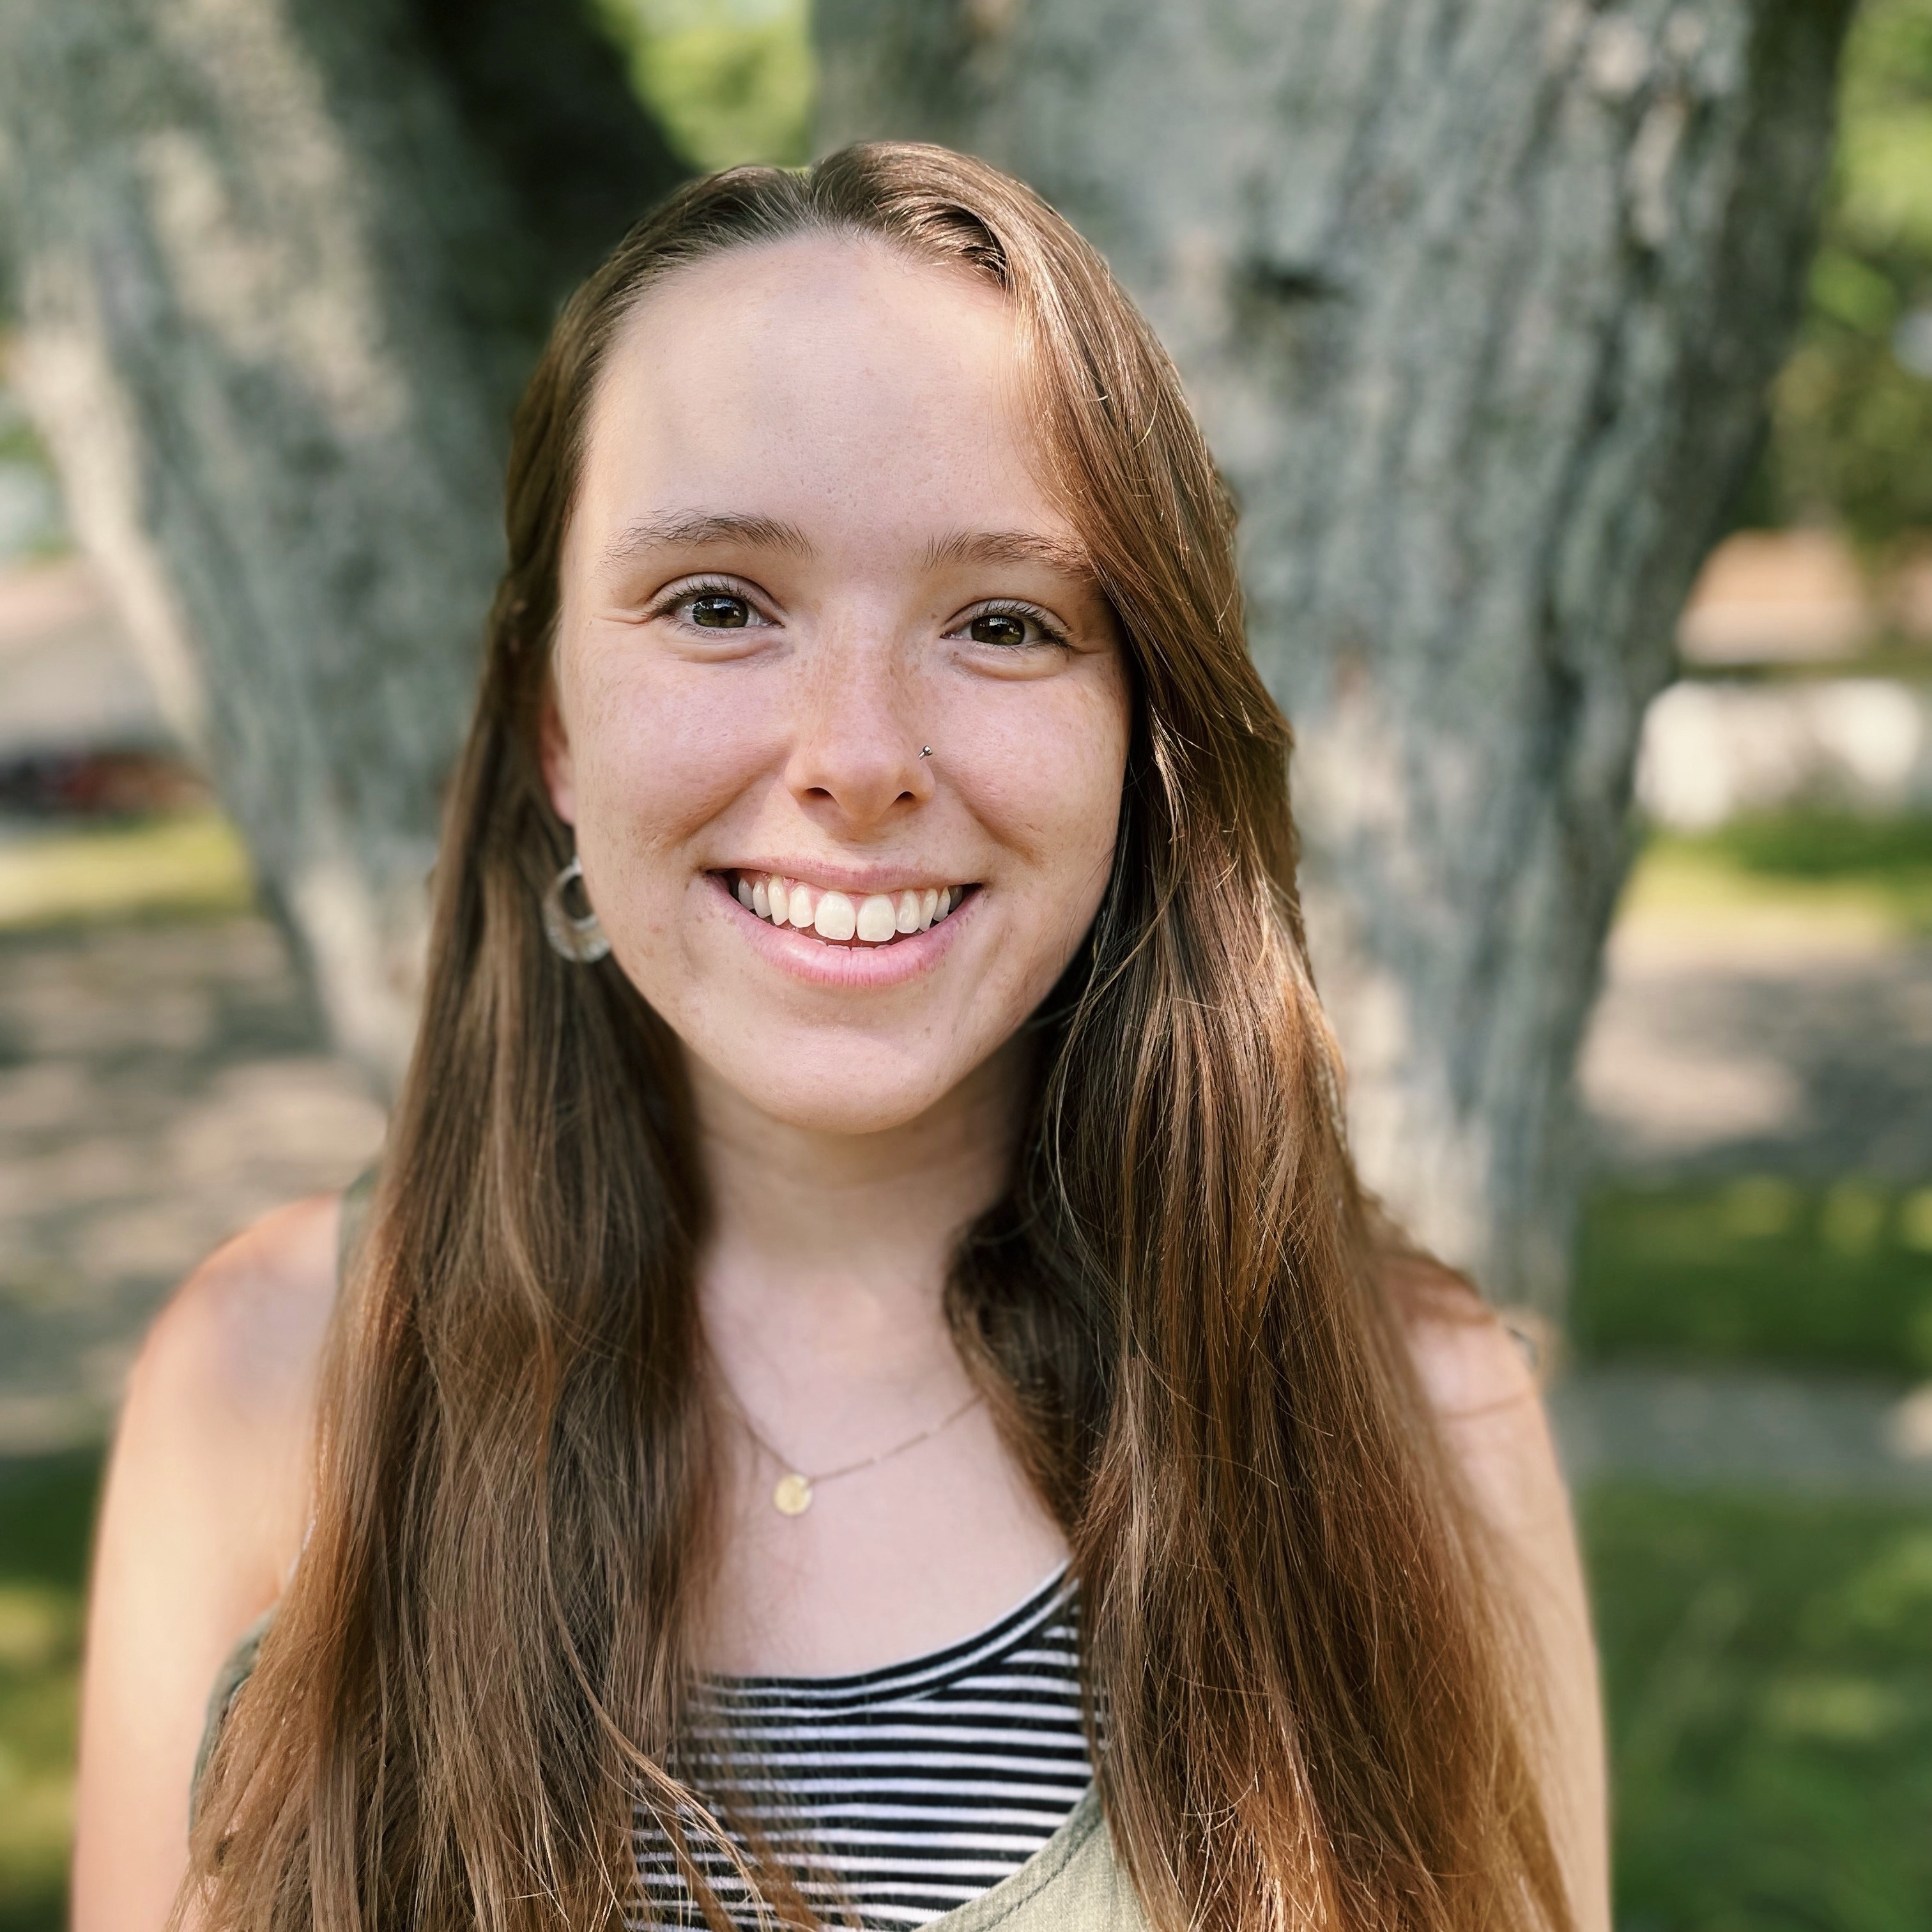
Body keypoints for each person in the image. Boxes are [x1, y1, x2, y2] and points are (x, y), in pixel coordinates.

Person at [72, 144, 1606, 1932]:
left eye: (1006, 622)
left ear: (1143, 742)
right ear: (556, 725)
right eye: (719, 602)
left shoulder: (1419, 1418)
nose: (858, 753)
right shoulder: (274, 1387)